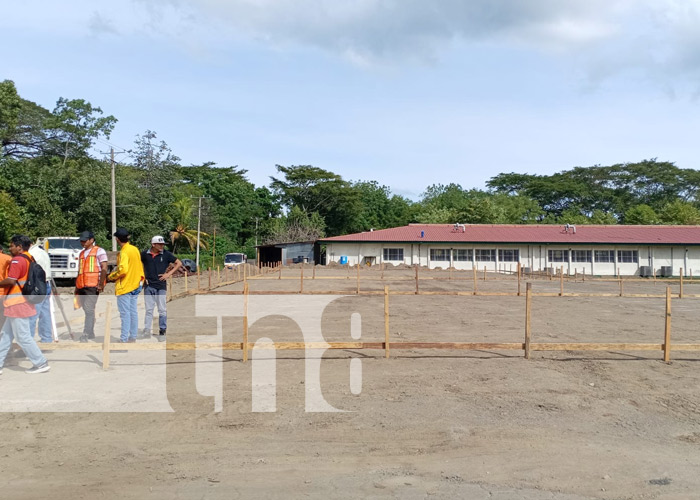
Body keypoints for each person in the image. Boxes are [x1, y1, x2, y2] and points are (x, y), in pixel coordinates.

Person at [0, 234, 50, 374]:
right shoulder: (29, 258)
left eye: (11, 246)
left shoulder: (17, 261)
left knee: (23, 337)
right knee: (5, 335)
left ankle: (40, 363)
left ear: (19, 247)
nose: (9, 248)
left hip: (17, 303)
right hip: (20, 302)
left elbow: (11, 280)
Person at [140, 235, 181, 340]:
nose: (162, 246)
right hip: (148, 286)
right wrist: (142, 277)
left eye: (163, 244)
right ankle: (147, 330)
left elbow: (178, 263)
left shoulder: (166, 254)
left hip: (161, 286)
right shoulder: (145, 255)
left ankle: (162, 330)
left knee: (162, 309)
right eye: (160, 244)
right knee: (149, 309)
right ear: (153, 244)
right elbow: (138, 265)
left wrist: (168, 274)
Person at [106, 228, 144, 343]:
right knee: (133, 312)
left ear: (117, 239)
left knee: (125, 314)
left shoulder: (124, 252)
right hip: (136, 284)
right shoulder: (134, 249)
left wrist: (111, 276)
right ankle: (132, 337)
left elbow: (123, 270)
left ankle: (123, 340)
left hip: (126, 286)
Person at [74, 231, 108, 343]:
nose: (82, 242)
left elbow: (104, 268)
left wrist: (101, 283)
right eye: (81, 240)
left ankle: (85, 333)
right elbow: (80, 271)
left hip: (93, 286)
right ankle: (91, 332)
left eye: (85, 240)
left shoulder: (99, 251)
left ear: (91, 240)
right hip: (82, 286)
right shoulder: (81, 254)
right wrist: (76, 287)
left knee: (89, 309)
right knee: (87, 309)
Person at [28, 241, 54, 343]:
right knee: (45, 314)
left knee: (32, 314)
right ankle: (47, 339)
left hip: (37, 285)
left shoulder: (32, 254)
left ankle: (28, 342)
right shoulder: (42, 252)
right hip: (47, 283)